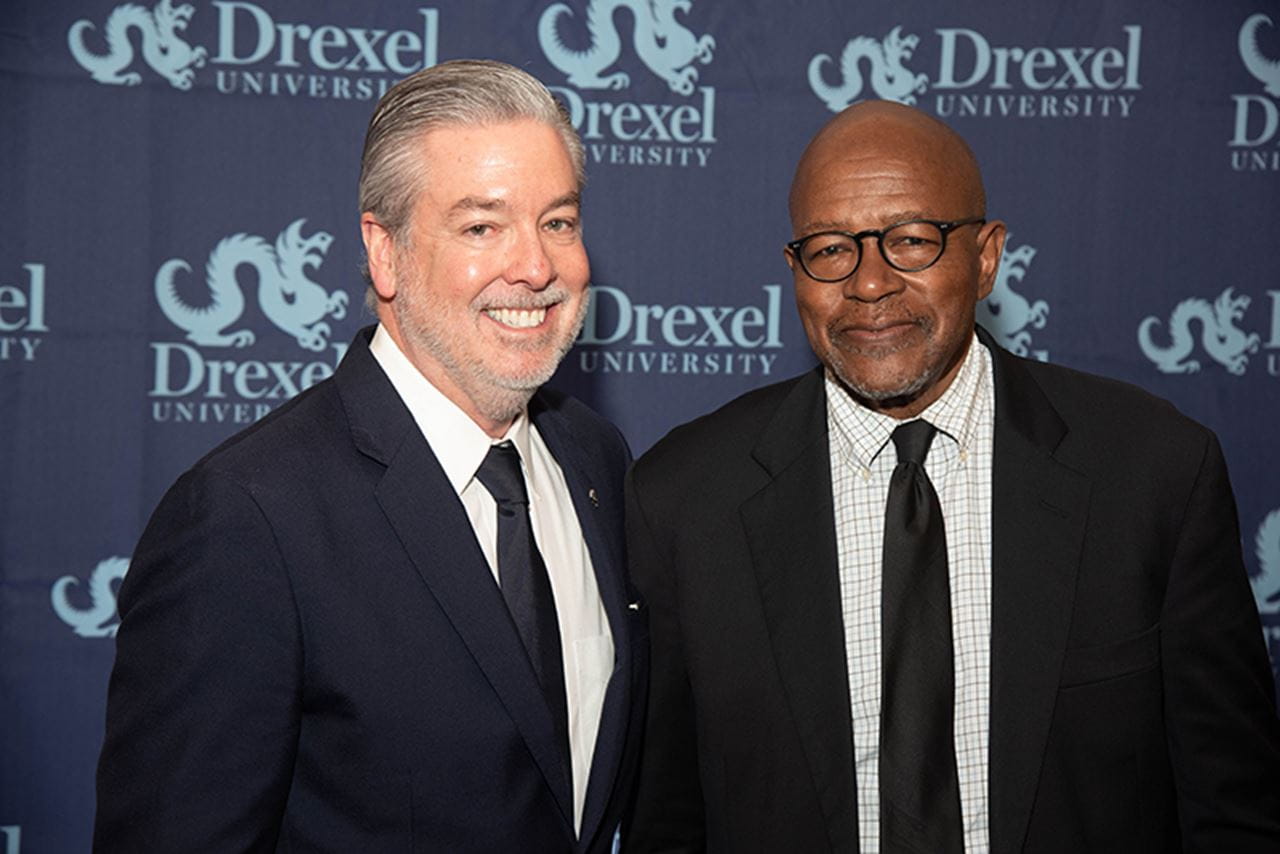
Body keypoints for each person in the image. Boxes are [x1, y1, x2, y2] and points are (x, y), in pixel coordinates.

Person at [622, 100, 1280, 853]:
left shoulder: (1153, 472)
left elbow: (1235, 809)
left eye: (910, 241)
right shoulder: (683, 499)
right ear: (793, 271)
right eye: (832, 248)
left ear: (987, 256)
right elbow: (665, 823)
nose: (869, 284)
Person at [95, 59, 645, 853]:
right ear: (383, 252)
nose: (535, 267)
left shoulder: (596, 461)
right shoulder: (247, 518)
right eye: (481, 226)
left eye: (557, 221)